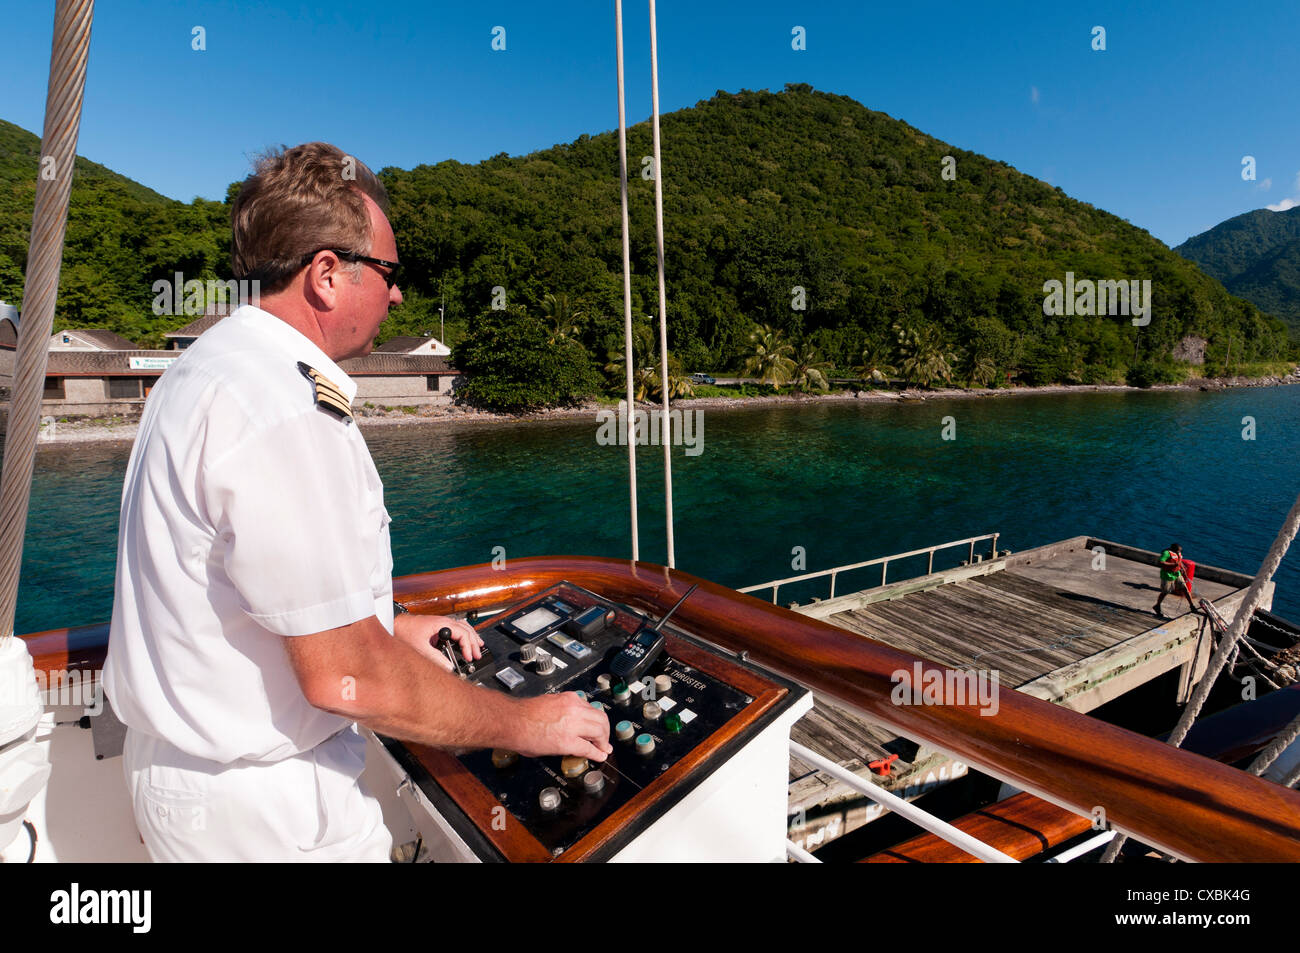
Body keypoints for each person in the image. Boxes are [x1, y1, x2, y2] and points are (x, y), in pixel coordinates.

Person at [103, 143, 611, 862]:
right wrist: (528, 724)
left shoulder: (207, 368)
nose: (398, 294)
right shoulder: (283, 408)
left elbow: (247, 587)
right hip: (269, 814)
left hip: (191, 788)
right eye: (389, 272)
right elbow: (351, 676)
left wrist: (387, 623)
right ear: (327, 275)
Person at [1153, 543, 1198, 619]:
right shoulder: (1166, 553)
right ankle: (1157, 606)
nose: (1179, 552)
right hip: (1168, 575)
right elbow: (1161, 562)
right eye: (1177, 551)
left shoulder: (1178, 553)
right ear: (1172, 549)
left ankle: (1192, 606)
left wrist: (1182, 567)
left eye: (1179, 551)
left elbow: (1179, 561)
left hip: (1177, 574)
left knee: (1185, 589)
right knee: (1166, 591)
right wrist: (1172, 564)